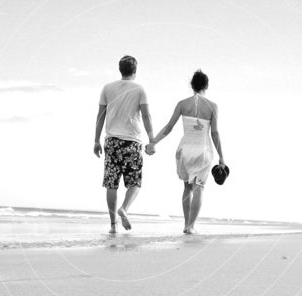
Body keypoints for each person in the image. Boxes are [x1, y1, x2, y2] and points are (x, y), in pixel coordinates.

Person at [147, 70, 225, 234]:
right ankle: (191, 226)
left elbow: (168, 128)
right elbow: (215, 133)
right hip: (203, 151)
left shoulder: (182, 104)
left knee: (187, 188)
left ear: (192, 85)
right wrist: (222, 157)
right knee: (199, 188)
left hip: (184, 150)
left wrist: (153, 142)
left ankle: (186, 224)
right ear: (206, 86)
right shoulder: (213, 106)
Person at [94, 55, 155, 234]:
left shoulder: (107, 88)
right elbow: (146, 116)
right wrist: (152, 139)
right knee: (134, 182)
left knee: (111, 184)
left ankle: (113, 225)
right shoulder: (140, 89)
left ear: (120, 70)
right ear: (134, 71)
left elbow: (100, 116)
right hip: (132, 141)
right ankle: (124, 209)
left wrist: (96, 140)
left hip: (112, 141)